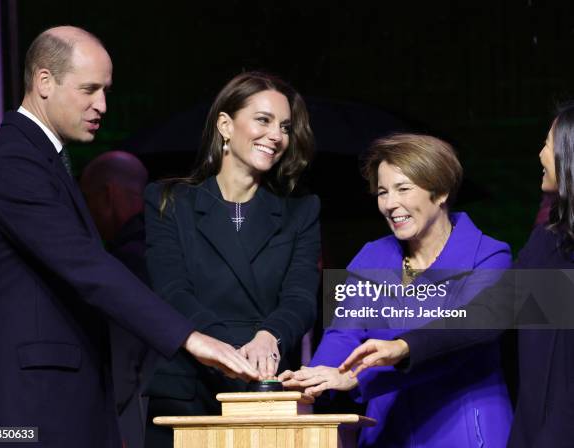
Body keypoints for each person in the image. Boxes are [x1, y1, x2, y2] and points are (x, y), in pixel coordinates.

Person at [0, 26, 257, 448]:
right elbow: (88, 266)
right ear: (44, 81)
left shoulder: (40, 160)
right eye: (89, 89)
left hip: (50, 406)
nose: (101, 105)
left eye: (106, 90)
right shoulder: (13, 162)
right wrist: (188, 337)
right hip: (21, 415)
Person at [340, 107, 574, 448]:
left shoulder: (490, 253)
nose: (540, 153)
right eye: (382, 191)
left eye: (548, 143)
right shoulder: (548, 241)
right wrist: (404, 346)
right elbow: (488, 312)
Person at [280, 134, 513, 447]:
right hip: (387, 426)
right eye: (382, 192)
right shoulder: (371, 255)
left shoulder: (488, 255)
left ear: (441, 191)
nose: (390, 204)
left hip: (465, 427)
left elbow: (463, 339)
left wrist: (357, 376)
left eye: (403, 189)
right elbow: (344, 334)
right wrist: (317, 378)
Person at [143, 71, 321, 447]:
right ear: (225, 124)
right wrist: (233, 349)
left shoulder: (301, 210)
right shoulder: (168, 201)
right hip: (188, 393)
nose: (277, 135)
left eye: (285, 126)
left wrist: (267, 336)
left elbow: (302, 297)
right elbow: (171, 292)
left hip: (265, 392)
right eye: (263, 120)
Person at [80, 150, 154, 448]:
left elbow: (121, 365)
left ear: (107, 195)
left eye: (86, 199)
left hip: (136, 422)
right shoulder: (170, 246)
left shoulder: (123, 264)